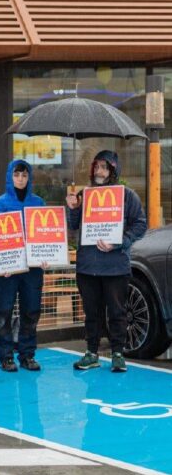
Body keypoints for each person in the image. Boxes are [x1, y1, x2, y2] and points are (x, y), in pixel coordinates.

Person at [66, 150, 146, 373]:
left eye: (104, 167)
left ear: (113, 170)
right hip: (87, 267)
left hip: (115, 267)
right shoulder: (85, 194)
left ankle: (118, 354)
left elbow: (140, 224)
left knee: (117, 313)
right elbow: (73, 226)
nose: (99, 171)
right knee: (91, 313)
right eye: (96, 167)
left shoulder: (127, 196)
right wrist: (72, 208)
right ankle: (91, 353)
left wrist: (119, 242)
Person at [0, 159, 46, 372]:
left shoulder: (38, 204)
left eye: (24, 175)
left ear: (29, 177)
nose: (20, 179)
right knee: (4, 312)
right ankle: (5, 356)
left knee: (31, 311)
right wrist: (1, 262)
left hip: (32, 269)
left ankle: (27, 354)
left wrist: (47, 253)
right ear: (9, 177)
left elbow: (45, 234)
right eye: (16, 175)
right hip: (8, 270)